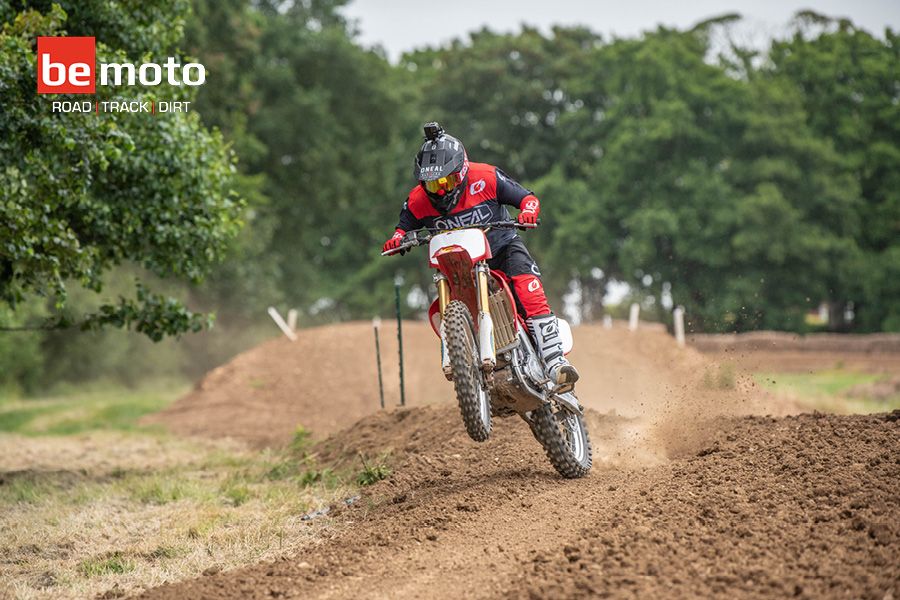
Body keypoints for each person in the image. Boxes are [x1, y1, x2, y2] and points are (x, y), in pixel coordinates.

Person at [383, 122, 579, 390]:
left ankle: (555, 362)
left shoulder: (485, 177)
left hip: (502, 249)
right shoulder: (418, 200)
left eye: (446, 181)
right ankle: (466, 361)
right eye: (432, 184)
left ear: (461, 172)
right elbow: (403, 227)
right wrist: (397, 238)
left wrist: (528, 212)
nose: (440, 190)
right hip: (458, 264)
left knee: (527, 287)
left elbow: (526, 198)